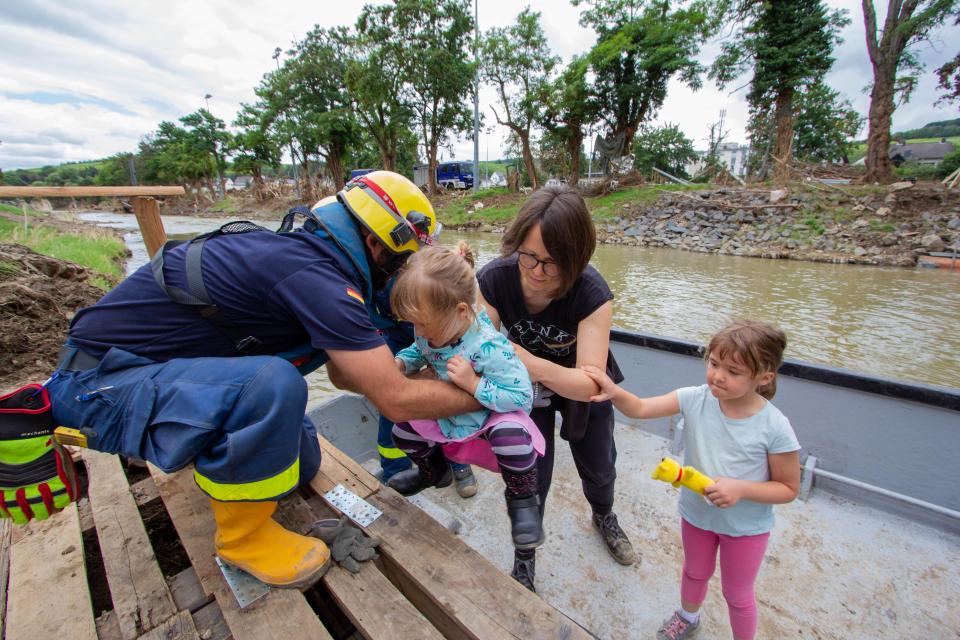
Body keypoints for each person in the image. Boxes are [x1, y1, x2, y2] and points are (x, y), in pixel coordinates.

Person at [45, 171, 483, 590]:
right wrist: (485, 396)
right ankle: (243, 541)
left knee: (302, 463)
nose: (403, 275)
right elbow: (396, 401)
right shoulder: (320, 282)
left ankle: (199, 446)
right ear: (374, 243)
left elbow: (345, 376)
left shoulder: (309, 259)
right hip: (94, 389)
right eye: (403, 261)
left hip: (145, 378)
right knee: (273, 384)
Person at [582, 319, 801, 640]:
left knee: (737, 594)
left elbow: (788, 488)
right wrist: (614, 391)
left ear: (764, 377)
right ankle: (687, 617)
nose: (718, 375)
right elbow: (641, 408)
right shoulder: (695, 398)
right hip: (697, 514)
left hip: (745, 529)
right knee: (694, 572)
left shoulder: (775, 426)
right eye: (714, 363)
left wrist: (740, 488)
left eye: (733, 371)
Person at [476, 184, 635, 593]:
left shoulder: (592, 293)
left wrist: (531, 363)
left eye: (552, 262)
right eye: (528, 256)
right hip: (524, 390)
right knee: (528, 474)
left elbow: (590, 384)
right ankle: (524, 559)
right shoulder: (494, 280)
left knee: (599, 465)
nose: (536, 271)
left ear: (575, 259)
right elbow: (476, 350)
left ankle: (603, 515)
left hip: (576, 382)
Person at [385, 243, 546, 550]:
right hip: (451, 417)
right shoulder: (430, 330)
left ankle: (523, 500)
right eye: (413, 324)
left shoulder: (489, 347)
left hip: (491, 415)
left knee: (511, 437)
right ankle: (434, 471)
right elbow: (420, 350)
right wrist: (403, 362)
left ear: (461, 311)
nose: (417, 330)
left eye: (421, 323)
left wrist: (474, 385)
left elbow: (522, 395)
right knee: (401, 431)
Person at [375, 320, 478, 496]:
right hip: (395, 336)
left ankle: (459, 463)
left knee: (450, 397)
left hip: (443, 331)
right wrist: (400, 368)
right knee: (391, 410)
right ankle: (400, 471)